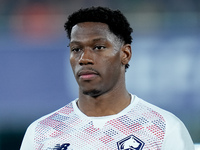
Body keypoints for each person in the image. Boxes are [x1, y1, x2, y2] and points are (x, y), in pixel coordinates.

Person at [20, 6, 194, 150]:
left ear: (125, 54)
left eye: (98, 47)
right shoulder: (41, 133)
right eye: (76, 49)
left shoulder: (164, 129)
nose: (84, 58)